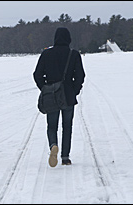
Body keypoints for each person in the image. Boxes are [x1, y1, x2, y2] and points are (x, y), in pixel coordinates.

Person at [33, 27, 85, 167]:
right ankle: (65, 157)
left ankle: (53, 146)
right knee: (67, 126)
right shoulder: (73, 54)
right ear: (68, 39)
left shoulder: (46, 54)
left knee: (52, 126)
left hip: (51, 95)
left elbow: (37, 75)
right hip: (68, 95)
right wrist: (74, 91)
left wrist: (45, 89)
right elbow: (80, 76)